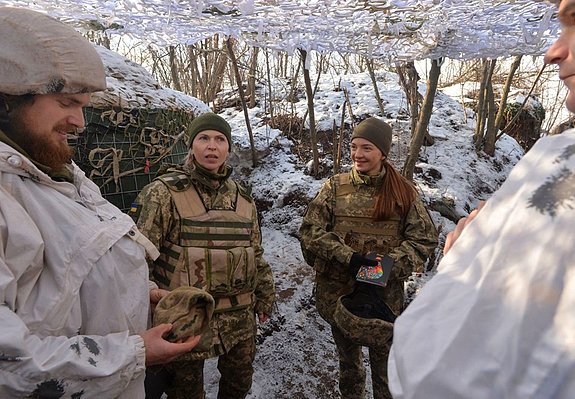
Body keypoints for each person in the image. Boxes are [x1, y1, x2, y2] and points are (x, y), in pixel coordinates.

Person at [388, 0, 575, 398]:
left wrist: (465, 259)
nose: (553, 50)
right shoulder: (333, 189)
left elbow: (437, 375)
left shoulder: (572, 166)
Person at [0, 7, 200, 399]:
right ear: (8, 100)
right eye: (65, 102)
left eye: (83, 106)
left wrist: (142, 294)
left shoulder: (62, 176)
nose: (80, 122)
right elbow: (10, 364)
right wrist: (134, 352)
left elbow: (69, 279)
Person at [130, 112, 276, 399]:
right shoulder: (163, 194)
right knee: (185, 393)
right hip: (186, 316)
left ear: (228, 148)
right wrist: (148, 304)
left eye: (220, 139)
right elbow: (137, 257)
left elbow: (254, 251)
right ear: (191, 145)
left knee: (238, 386)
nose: (212, 146)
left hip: (239, 315)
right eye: (204, 138)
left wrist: (265, 292)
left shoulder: (244, 199)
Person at [299, 117, 438, 399]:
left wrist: (377, 271)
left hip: (382, 301)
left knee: (386, 372)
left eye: (367, 148)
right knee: (348, 367)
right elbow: (309, 231)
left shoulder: (403, 193)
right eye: (354, 147)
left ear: (383, 153)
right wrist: (349, 258)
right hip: (340, 297)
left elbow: (424, 240)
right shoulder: (335, 188)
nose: (358, 154)